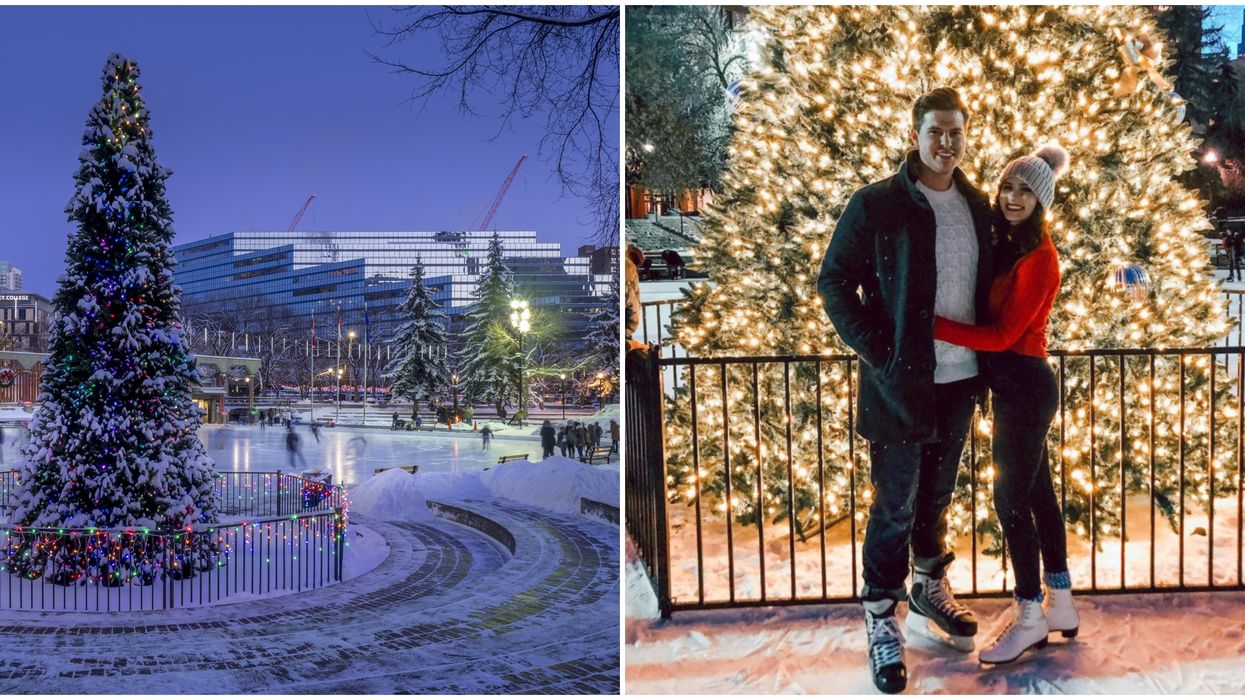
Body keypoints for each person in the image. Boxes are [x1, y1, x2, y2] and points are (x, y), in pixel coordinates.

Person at [818, 87, 993, 693]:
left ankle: (926, 586)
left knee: (937, 496)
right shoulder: (877, 205)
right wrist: (881, 350)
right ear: (915, 135)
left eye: (956, 133)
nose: (946, 143)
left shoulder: (977, 206)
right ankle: (879, 616)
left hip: (961, 378)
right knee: (894, 504)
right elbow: (834, 281)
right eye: (935, 131)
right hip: (900, 386)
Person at [934, 144, 1078, 664]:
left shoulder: (1039, 257)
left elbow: (1001, 336)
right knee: (1038, 496)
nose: (1013, 197)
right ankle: (1060, 600)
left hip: (1025, 384)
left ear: (1042, 201)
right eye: (1008, 187)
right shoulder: (1012, 245)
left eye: (1026, 191)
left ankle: (1030, 615)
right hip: (1015, 387)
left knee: (1010, 500)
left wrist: (934, 324)